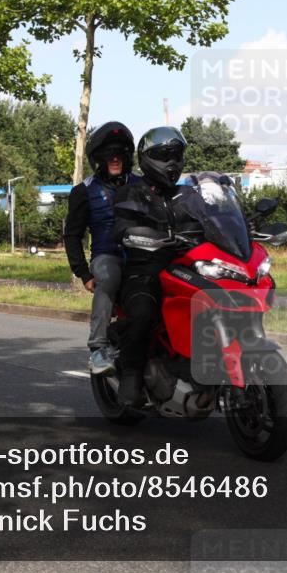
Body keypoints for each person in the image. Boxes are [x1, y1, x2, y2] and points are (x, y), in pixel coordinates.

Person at [111, 126, 196, 404]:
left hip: (188, 268)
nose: (172, 162)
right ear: (147, 159)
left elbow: (216, 220)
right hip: (145, 271)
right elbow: (122, 227)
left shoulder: (190, 195)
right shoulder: (131, 193)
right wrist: (139, 234)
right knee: (144, 313)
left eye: (176, 154)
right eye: (163, 155)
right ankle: (131, 375)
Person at [63, 122, 140, 375]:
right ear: (99, 158)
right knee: (109, 275)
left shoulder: (143, 186)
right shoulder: (84, 191)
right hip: (108, 257)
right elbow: (72, 235)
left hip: (143, 256)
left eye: (119, 152)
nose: (115, 157)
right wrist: (83, 274)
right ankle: (97, 348)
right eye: (109, 153)